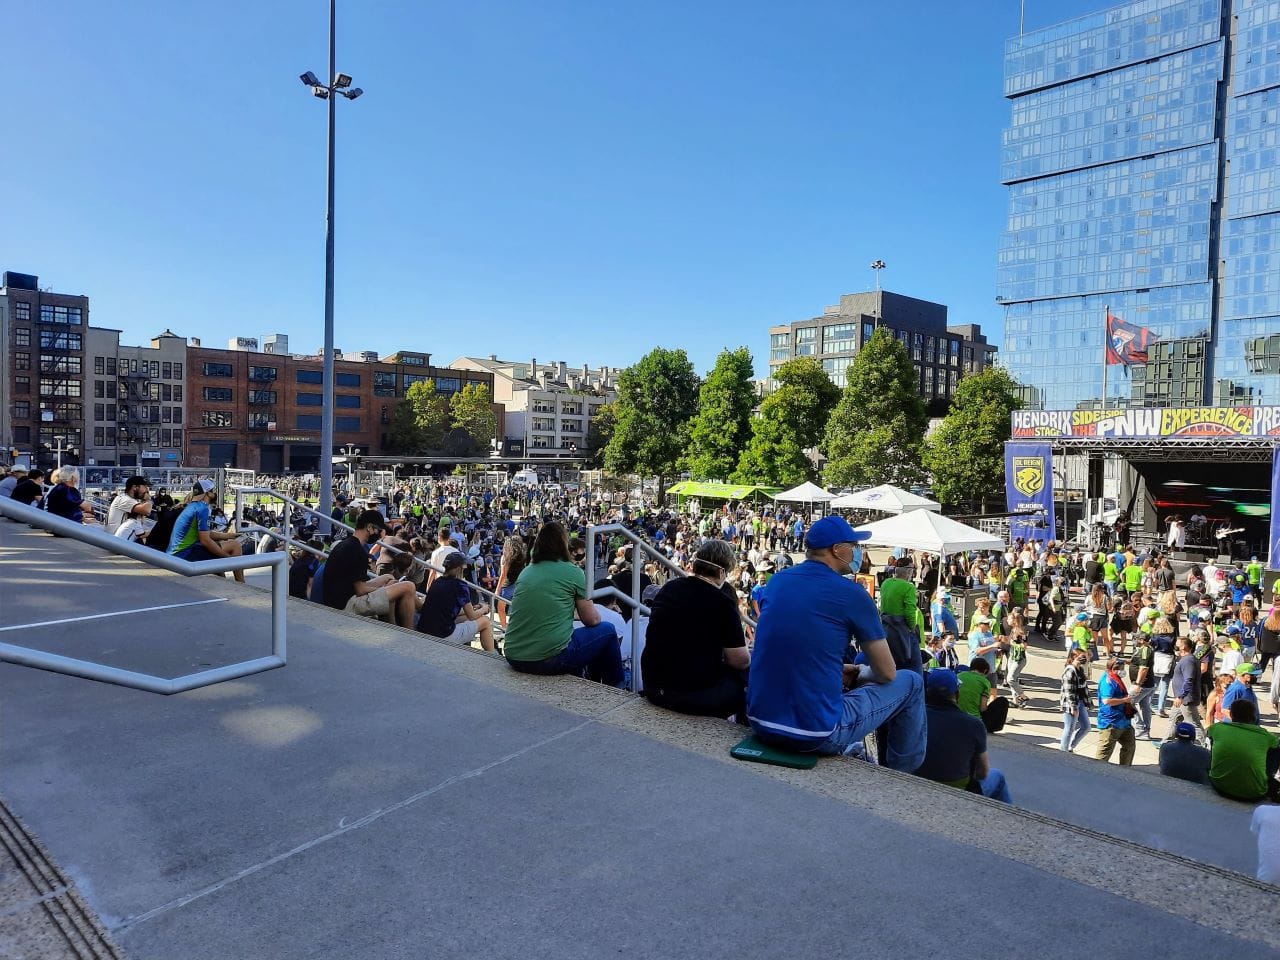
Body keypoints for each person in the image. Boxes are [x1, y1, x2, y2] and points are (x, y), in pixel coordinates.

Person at [745, 516, 925, 770]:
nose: (858, 552)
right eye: (854, 545)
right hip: (816, 733)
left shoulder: (778, 582)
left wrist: (836, 671)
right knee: (913, 682)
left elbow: (791, 645)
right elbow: (887, 673)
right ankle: (904, 775)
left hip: (760, 721)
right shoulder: (853, 594)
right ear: (837, 550)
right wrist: (862, 673)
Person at [503, 521, 624, 687]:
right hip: (547, 659)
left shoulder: (527, 571)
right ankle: (616, 688)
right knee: (608, 631)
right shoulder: (573, 572)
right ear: (564, 544)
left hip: (514, 655)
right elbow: (592, 620)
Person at [641, 539, 749, 719]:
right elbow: (740, 661)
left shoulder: (669, 588)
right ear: (722, 572)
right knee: (749, 672)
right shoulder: (722, 602)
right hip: (692, 696)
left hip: (653, 686)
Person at [914, 669, 1012, 803]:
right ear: (957, 693)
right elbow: (983, 772)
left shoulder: (914, 716)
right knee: (998, 777)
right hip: (957, 788)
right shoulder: (974, 724)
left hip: (917, 781)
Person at [321, 509, 418, 627]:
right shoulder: (357, 551)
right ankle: (410, 632)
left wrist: (387, 586)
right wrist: (385, 588)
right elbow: (360, 590)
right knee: (409, 586)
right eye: (377, 529)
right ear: (369, 527)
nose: (378, 533)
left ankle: (391, 624)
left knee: (388, 577)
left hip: (337, 599)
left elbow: (355, 583)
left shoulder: (344, 544)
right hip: (346, 605)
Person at [167, 479, 245, 582]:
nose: (214, 494)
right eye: (212, 491)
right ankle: (241, 584)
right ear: (207, 493)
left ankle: (224, 584)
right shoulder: (202, 508)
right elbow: (205, 540)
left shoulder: (192, 506)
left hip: (177, 553)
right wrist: (228, 558)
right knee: (234, 545)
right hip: (184, 555)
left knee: (220, 550)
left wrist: (228, 536)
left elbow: (206, 533)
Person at [417, 551, 495, 651]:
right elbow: (472, 617)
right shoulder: (461, 586)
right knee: (485, 621)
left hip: (425, 629)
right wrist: (484, 609)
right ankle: (491, 656)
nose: (466, 568)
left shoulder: (437, 581)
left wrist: (474, 608)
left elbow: (447, 608)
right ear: (459, 568)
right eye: (464, 566)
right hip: (442, 635)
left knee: (465, 616)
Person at [1206, 700, 1280, 803]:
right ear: (1253, 717)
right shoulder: (1265, 736)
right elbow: (1276, 744)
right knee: (1275, 750)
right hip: (1254, 793)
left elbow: (1209, 734)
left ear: (1231, 715)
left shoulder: (1217, 728)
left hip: (1219, 785)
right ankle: (1267, 776)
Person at [1095, 655, 1136, 765]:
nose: (1123, 671)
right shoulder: (1107, 681)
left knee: (1129, 746)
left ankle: (1124, 769)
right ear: (1114, 669)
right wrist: (1124, 700)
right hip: (1111, 722)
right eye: (1121, 668)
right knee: (1105, 752)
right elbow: (1106, 701)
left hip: (1123, 721)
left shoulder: (1116, 678)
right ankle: (1096, 771)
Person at [1165, 636, 1205, 743]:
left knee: (1193, 723)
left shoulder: (1188, 661)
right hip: (1181, 699)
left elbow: (1189, 680)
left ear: (1183, 647)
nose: (1175, 646)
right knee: (1173, 719)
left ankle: (1204, 744)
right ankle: (1166, 742)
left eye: (1177, 644)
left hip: (1185, 699)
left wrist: (1181, 696)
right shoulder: (1186, 659)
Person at [957, 658, 1007, 734]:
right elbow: (982, 708)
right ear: (984, 671)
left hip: (956, 715)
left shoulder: (959, 676)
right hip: (973, 719)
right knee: (1003, 701)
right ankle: (992, 728)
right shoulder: (985, 682)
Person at [1060, 648, 1091, 753]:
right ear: (1074, 657)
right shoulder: (1070, 671)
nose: (1084, 658)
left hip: (1080, 702)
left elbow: (1085, 684)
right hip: (1071, 703)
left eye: (1084, 656)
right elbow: (1069, 691)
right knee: (1069, 729)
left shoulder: (1080, 669)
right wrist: (1073, 707)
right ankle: (1063, 751)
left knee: (1086, 727)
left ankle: (1071, 746)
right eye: (1081, 656)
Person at [1128, 630, 1156, 739]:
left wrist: (1137, 684)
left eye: (1137, 638)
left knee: (1128, 702)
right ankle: (1146, 730)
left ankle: (1140, 728)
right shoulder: (1144, 649)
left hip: (1143, 684)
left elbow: (1143, 669)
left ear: (1142, 640)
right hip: (1148, 684)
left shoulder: (1145, 650)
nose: (1135, 640)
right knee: (1145, 706)